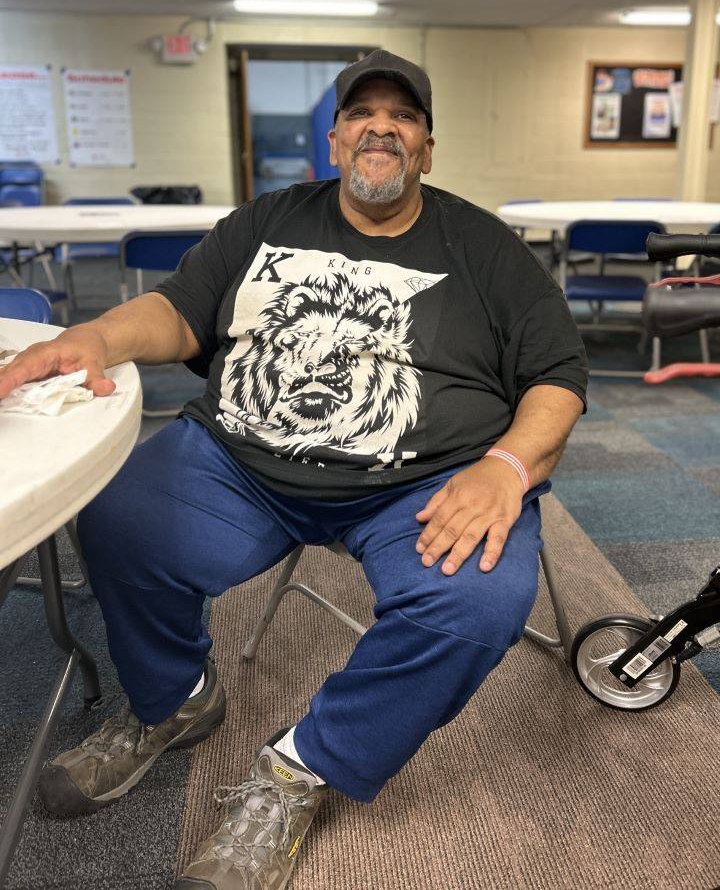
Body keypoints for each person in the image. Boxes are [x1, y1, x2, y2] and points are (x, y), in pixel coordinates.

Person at [0, 49, 588, 889]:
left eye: (403, 116)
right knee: (118, 510)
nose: (380, 126)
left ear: (425, 147)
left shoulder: (485, 248)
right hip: (243, 463)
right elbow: (177, 309)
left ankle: (299, 772)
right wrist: (95, 337)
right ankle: (174, 703)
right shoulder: (270, 218)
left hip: (422, 481)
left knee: (476, 600)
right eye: (361, 113)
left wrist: (506, 464)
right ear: (337, 139)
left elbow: (560, 377)